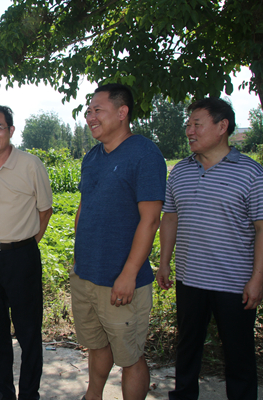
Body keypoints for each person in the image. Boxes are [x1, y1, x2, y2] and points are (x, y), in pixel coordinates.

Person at [156, 98, 263, 400]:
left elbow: (261, 228)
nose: (189, 131)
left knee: (239, 354)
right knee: (187, 349)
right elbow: (170, 218)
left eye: (197, 124)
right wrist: (164, 263)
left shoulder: (251, 173)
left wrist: (258, 278)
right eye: (188, 124)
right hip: (189, 279)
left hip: (234, 283)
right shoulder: (180, 171)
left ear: (222, 126)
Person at [72, 83, 167, 400]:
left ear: (122, 112)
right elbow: (84, 208)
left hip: (121, 281)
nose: (90, 117)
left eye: (97, 110)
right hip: (86, 275)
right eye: (88, 111)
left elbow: (150, 220)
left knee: (130, 357)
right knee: (96, 345)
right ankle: (93, 396)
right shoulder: (92, 157)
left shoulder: (144, 154)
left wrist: (128, 273)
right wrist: (78, 259)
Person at [0, 104, 53, 400]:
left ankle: (29, 393)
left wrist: (24, 244)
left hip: (22, 257)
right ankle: (3, 390)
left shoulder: (30, 164)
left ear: (11, 130)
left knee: (28, 330)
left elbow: (45, 210)